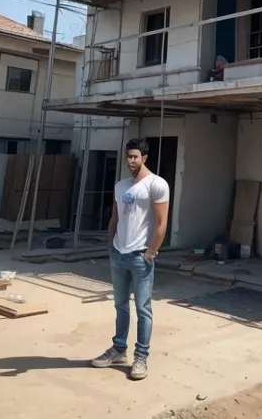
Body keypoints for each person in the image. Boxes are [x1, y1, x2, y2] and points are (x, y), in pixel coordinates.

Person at [92, 138, 170, 380]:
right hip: (119, 254)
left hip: (140, 257)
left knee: (143, 309)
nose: (131, 161)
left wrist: (151, 252)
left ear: (145, 158)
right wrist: (110, 245)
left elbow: (161, 223)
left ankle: (141, 358)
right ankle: (118, 349)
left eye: (135, 156)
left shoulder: (157, 185)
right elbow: (115, 219)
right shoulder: (120, 186)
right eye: (128, 157)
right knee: (120, 306)